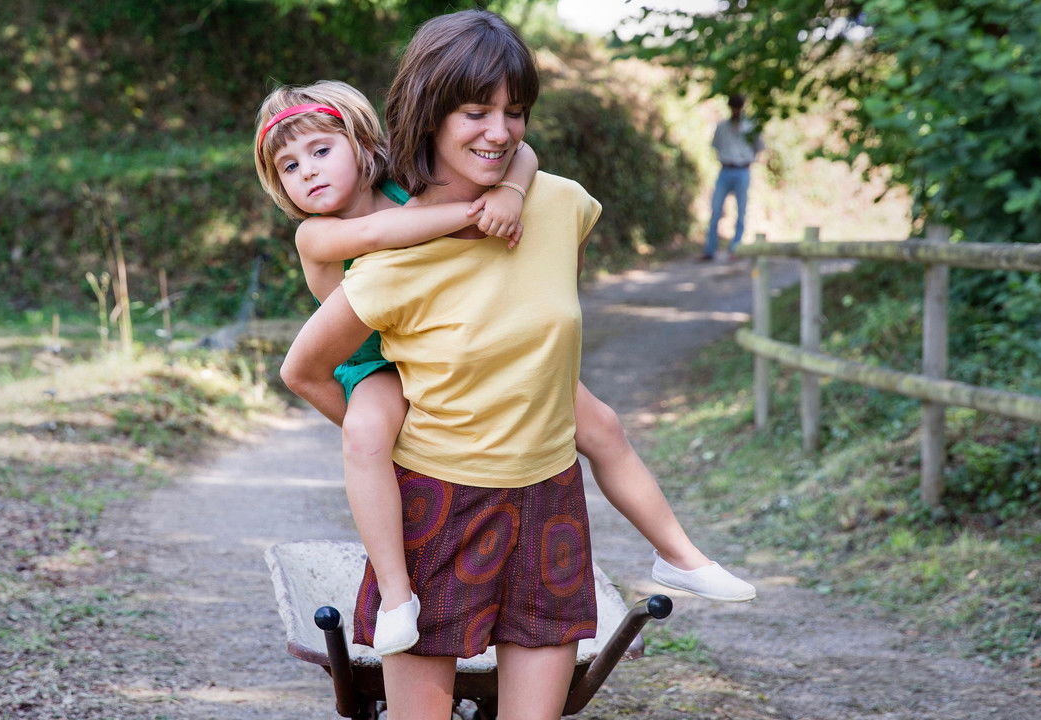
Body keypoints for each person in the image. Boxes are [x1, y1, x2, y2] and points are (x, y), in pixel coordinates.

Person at [278, 12, 750, 719]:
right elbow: (307, 368)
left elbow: (544, 313)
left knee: (602, 426)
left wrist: (510, 194)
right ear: (430, 115)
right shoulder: (386, 256)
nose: (499, 132)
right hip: (435, 503)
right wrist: (388, 435)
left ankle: (679, 553)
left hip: (548, 500)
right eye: (476, 112)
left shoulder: (558, 204)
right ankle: (402, 590)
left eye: (516, 111)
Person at [254, 78, 538, 655]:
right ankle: (396, 594)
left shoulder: (407, 185)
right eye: (289, 166)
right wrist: (471, 213)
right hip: (376, 363)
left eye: (321, 150)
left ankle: (667, 549)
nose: (307, 171)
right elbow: (380, 233)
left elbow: (520, 150)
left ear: (362, 143)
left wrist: (508, 192)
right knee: (365, 434)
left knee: (574, 410)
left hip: (441, 346)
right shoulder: (317, 234)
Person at [703, 93, 764, 261]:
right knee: (715, 210)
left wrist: (749, 160)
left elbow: (759, 147)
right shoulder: (722, 126)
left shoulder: (751, 126)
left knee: (741, 211)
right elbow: (715, 146)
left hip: (743, 170)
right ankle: (710, 249)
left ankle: (735, 249)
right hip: (725, 169)